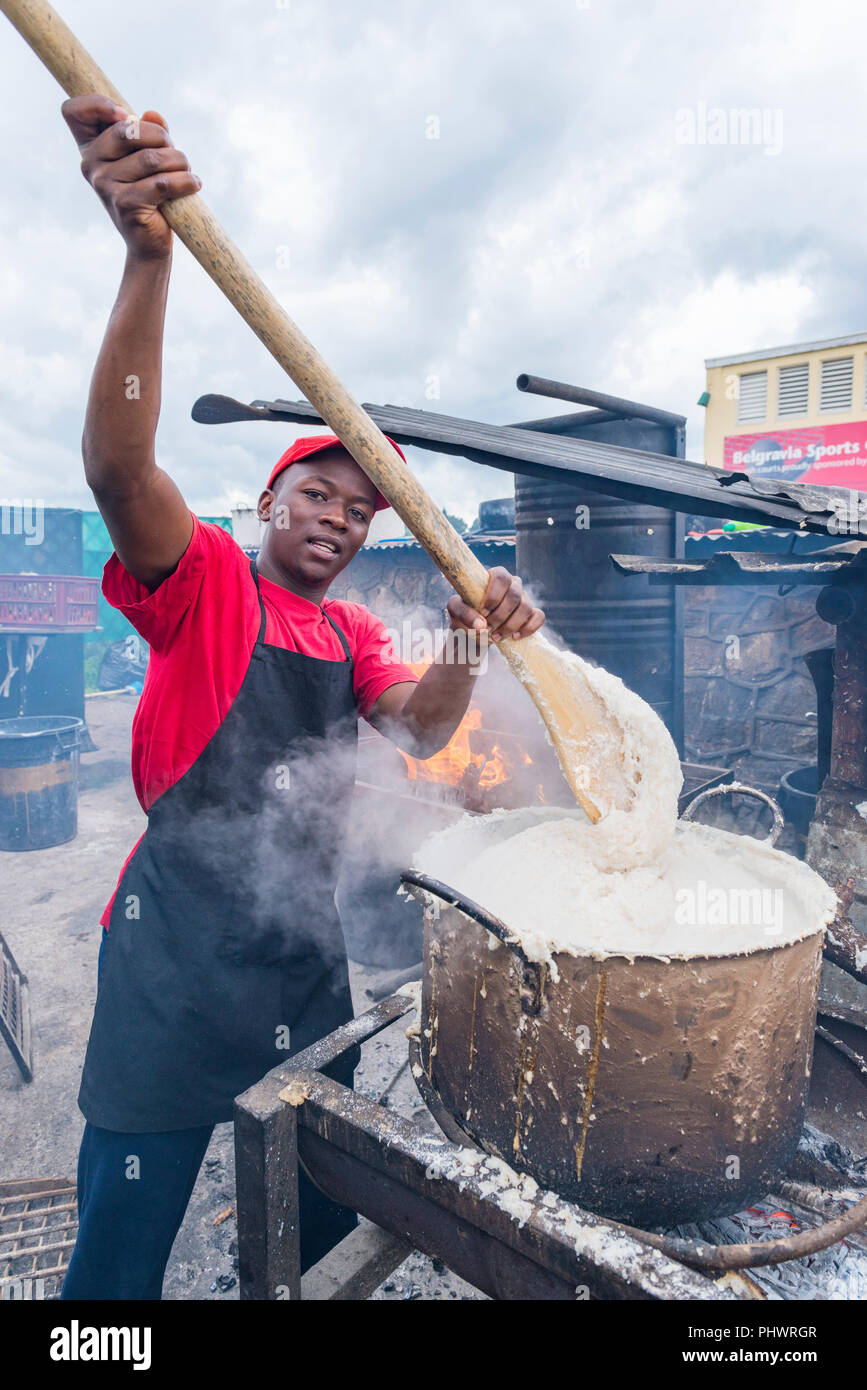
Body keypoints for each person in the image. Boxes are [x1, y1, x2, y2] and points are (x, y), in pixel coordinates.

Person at [58, 94, 546, 1300]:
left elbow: (423, 731)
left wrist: (473, 641)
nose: (337, 515)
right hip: (170, 962)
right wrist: (146, 260)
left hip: (296, 960)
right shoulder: (210, 584)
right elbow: (120, 466)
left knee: (321, 1234)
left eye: (358, 506)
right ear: (270, 505)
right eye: (316, 494)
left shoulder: (351, 631)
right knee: (119, 1263)